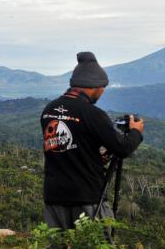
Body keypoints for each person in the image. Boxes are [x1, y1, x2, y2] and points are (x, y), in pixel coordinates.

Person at [40, 52, 144, 239]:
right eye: (102, 88)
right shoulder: (93, 114)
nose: (102, 92)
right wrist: (136, 131)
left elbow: (69, 147)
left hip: (54, 197)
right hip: (86, 197)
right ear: (94, 86)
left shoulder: (49, 110)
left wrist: (98, 154)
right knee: (94, 242)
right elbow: (123, 148)